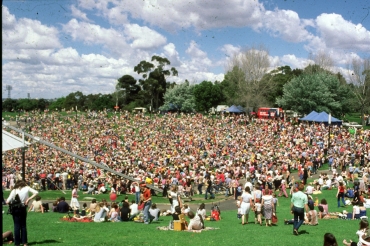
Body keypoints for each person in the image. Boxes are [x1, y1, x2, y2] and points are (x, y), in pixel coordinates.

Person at [6, 179, 38, 246]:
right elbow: (36, 192)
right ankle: (24, 242)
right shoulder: (26, 188)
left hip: (15, 209)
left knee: (16, 226)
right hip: (23, 207)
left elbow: (7, 201)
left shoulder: (14, 190)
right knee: (23, 225)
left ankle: (17, 243)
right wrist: (29, 199)